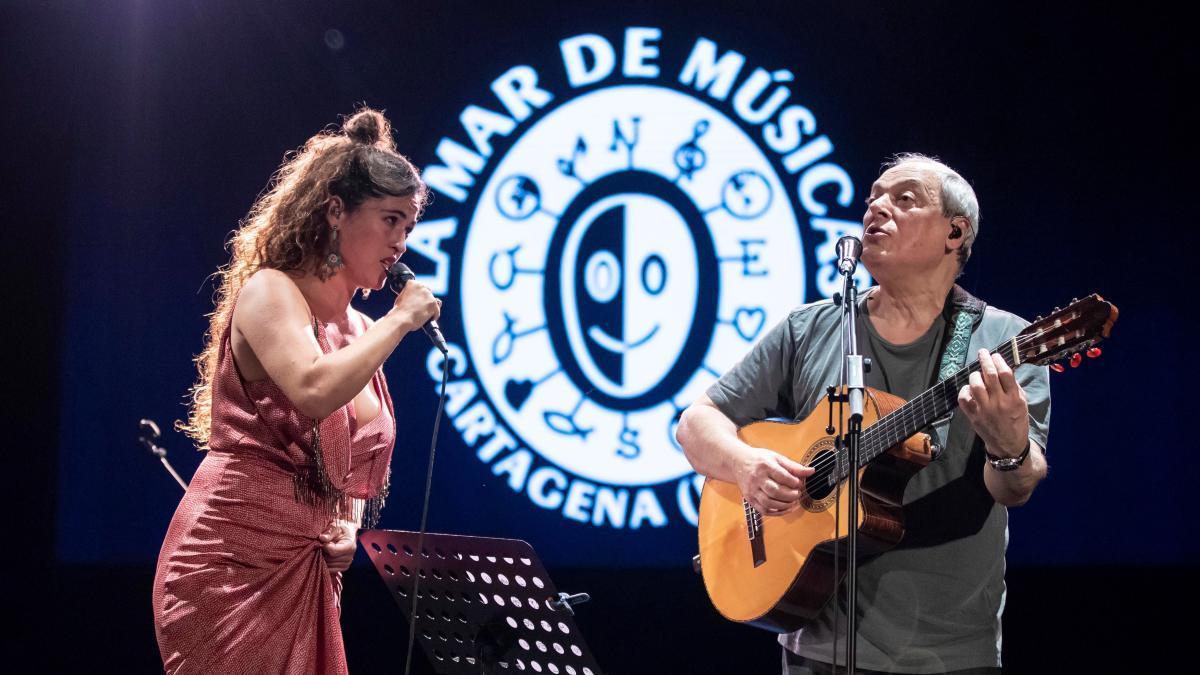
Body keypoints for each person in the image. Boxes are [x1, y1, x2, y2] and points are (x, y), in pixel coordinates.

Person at [677, 154, 1050, 674]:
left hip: (945, 652)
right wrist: (745, 466)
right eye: (873, 197)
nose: (876, 208)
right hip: (815, 646)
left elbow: (1016, 488)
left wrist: (1008, 446)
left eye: (904, 199)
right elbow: (696, 422)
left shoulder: (1005, 342)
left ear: (954, 232)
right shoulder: (810, 328)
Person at [153, 107, 441, 673]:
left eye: (409, 227)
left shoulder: (358, 331)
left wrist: (349, 524)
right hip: (231, 567)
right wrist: (400, 321)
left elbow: (352, 457)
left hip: (308, 573)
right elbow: (312, 389)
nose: (402, 243)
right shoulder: (271, 291)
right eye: (389, 221)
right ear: (336, 212)